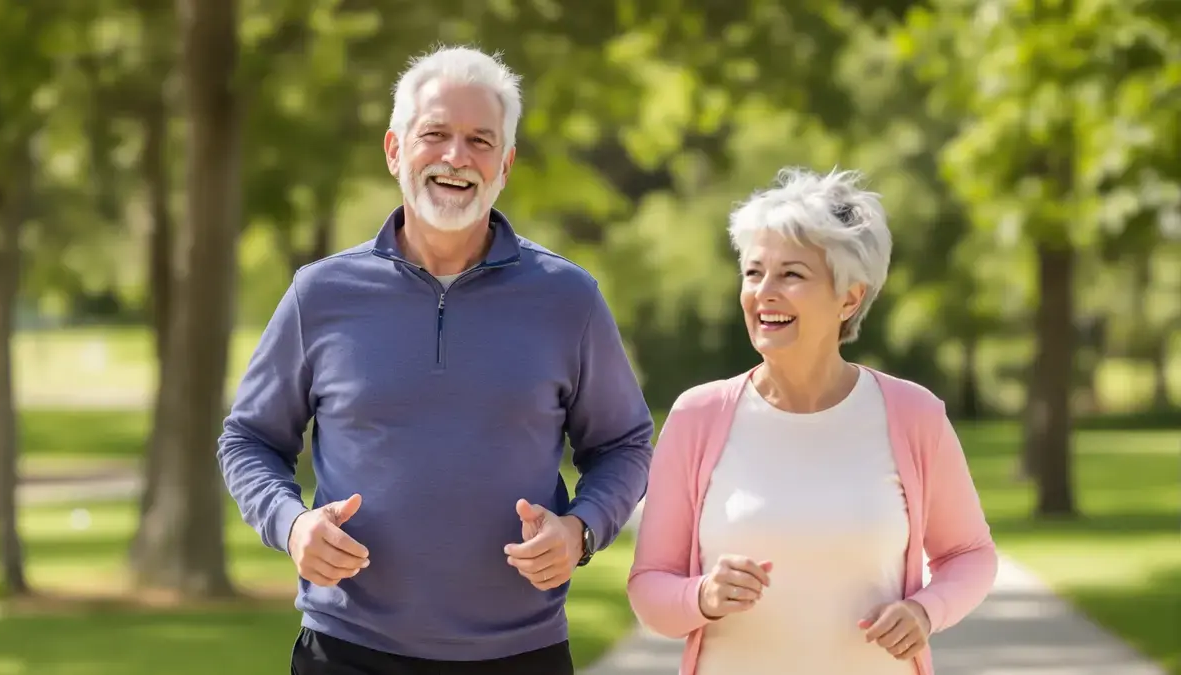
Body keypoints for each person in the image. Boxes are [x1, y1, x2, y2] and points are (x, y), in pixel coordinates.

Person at [217, 46, 654, 675]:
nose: (456, 157)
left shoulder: (568, 299)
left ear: (505, 163)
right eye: (436, 135)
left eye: (480, 141)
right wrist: (290, 526)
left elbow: (625, 443)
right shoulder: (319, 295)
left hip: (521, 655)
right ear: (395, 150)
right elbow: (249, 438)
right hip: (348, 652)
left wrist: (580, 531)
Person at [625, 167, 997, 675]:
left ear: (850, 297)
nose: (764, 292)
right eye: (754, 272)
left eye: (792, 274)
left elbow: (970, 554)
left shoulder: (914, 416)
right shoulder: (698, 417)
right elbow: (649, 588)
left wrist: (926, 611)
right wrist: (702, 596)